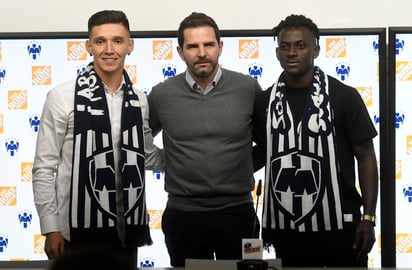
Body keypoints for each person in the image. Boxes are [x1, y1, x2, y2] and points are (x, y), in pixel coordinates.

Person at [32, 10, 164, 266]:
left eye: (117, 40)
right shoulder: (62, 97)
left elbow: (146, 156)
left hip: (125, 230)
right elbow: (44, 168)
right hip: (74, 230)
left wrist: (193, 155)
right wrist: (51, 227)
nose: (109, 49)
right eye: (100, 41)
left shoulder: (139, 99)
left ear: (130, 45)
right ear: (88, 46)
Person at [253, 14, 379, 267]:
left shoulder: (344, 96)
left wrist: (368, 217)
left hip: (342, 226)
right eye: (285, 46)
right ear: (277, 52)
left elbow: (366, 158)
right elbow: (262, 154)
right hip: (285, 227)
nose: (292, 52)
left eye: (300, 45)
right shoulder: (264, 102)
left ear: (316, 50)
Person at [148, 12, 263, 267]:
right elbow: (137, 141)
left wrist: (240, 165)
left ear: (220, 47)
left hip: (239, 213)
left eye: (208, 44)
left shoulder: (247, 88)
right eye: (192, 46)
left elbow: (268, 144)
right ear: (180, 51)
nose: (202, 52)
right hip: (183, 216)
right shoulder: (161, 95)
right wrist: (172, 162)